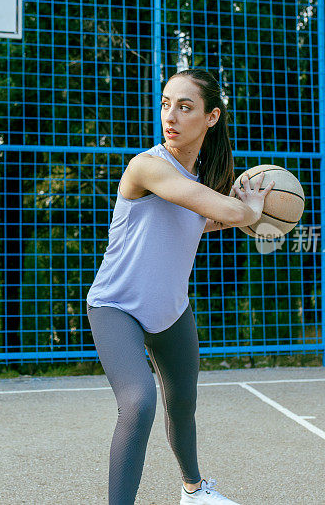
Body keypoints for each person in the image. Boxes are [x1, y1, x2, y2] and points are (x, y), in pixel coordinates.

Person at [86, 68, 273, 505]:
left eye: (185, 107)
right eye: (167, 103)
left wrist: (239, 213)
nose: (170, 115)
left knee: (183, 404)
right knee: (139, 401)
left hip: (171, 310)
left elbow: (196, 219)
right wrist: (248, 213)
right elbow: (221, 208)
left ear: (211, 117)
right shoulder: (147, 166)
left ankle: (193, 490)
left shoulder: (198, 181)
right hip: (116, 307)